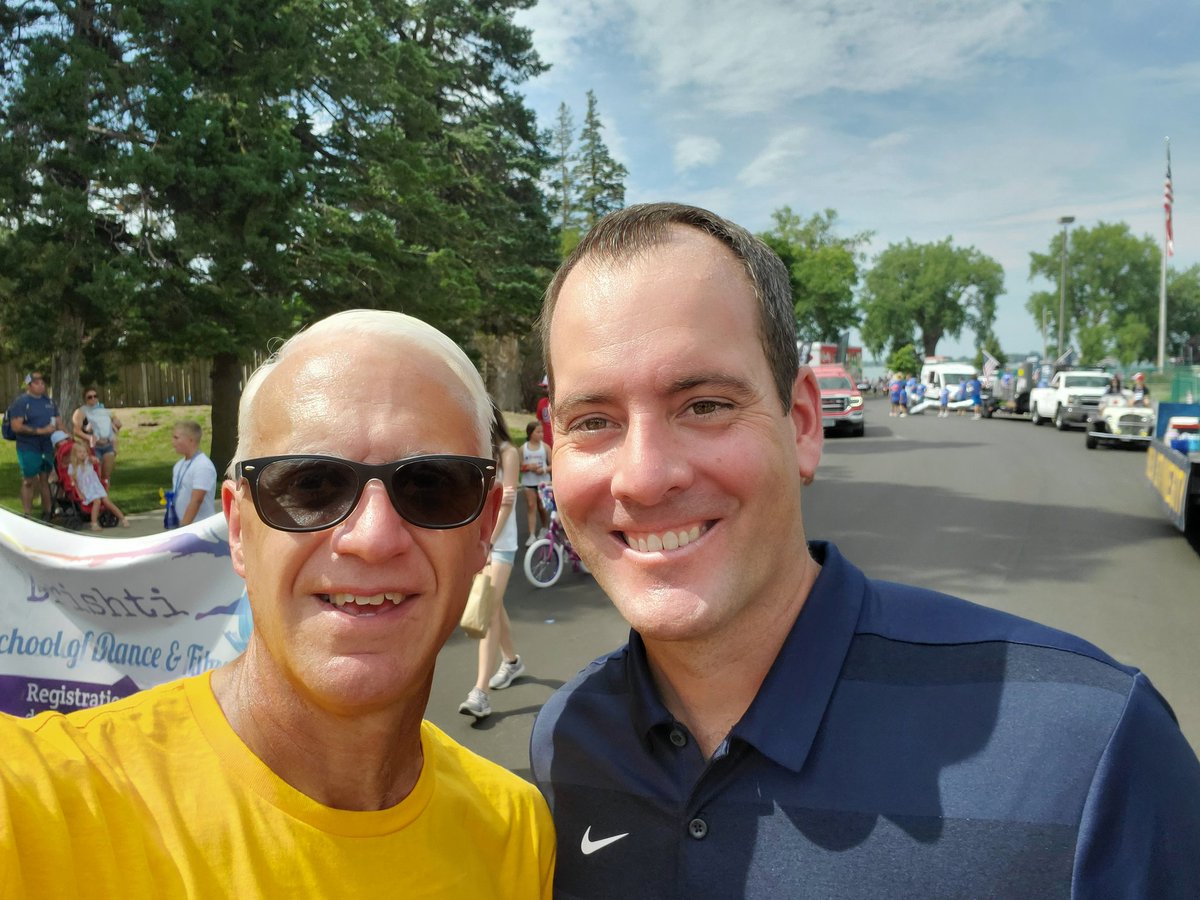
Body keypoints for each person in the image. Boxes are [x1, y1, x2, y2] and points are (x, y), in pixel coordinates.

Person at [529, 202, 1200, 898]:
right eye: (594, 420)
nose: (642, 477)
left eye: (704, 405)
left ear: (803, 424)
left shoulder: (1088, 749)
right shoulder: (567, 743)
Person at [0, 309, 555, 897]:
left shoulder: (514, 833)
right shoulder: (47, 797)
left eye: (431, 485)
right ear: (239, 529)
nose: (372, 538)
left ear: (484, 529)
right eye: (311, 485)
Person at [459, 406, 528, 721]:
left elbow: (508, 501)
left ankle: (480, 693)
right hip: (483, 543)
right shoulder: (478, 452)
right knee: (494, 606)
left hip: (501, 545)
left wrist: (489, 542)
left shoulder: (508, 453)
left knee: (486, 611)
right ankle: (512, 662)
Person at [6, 372, 61, 520]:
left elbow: (59, 422)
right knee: (28, 480)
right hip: (28, 446)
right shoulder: (21, 402)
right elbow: (16, 426)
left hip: (46, 446)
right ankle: (27, 515)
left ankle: (47, 513)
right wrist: (40, 431)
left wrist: (66, 437)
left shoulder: (49, 402)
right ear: (29, 385)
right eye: (37, 383)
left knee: (45, 479)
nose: (41, 385)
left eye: (42, 382)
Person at [66, 439, 129, 530]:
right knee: (97, 501)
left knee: (107, 501)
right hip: (86, 489)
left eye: (84, 452)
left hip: (96, 486)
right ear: (74, 454)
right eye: (80, 452)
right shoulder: (72, 467)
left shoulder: (88, 461)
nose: (82, 454)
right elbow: (74, 482)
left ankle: (122, 518)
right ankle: (94, 523)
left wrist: (94, 459)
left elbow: (94, 460)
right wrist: (79, 493)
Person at [169, 419, 218, 527]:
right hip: (182, 525)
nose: (173, 442)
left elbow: (197, 500)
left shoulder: (203, 465)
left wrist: (184, 527)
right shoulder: (179, 465)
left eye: (176, 438)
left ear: (190, 440)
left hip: (199, 527)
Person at [72, 387, 123, 482]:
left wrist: (116, 424)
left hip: (108, 446)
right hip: (93, 447)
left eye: (95, 396)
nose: (93, 399)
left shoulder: (103, 410)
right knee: (95, 476)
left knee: (106, 477)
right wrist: (89, 437)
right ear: (85, 399)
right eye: (90, 397)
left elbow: (117, 425)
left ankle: (106, 492)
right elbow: (76, 431)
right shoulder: (81, 412)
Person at [521, 420, 550, 544]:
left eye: (542, 432)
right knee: (531, 506)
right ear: (530, 433)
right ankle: (532, 535)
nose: (541, 434)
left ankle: (544, 527)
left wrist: (543, 469)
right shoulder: (523, 448)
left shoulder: (545, 447)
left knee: (542, 507)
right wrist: (528, 467)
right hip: (528, 482)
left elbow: (553, 465)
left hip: (543, 483)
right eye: (538, 432)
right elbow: (518, 467)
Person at [535, 375, 553, 447]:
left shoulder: (560, 403)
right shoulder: (541, 402)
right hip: (544, 442)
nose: (543, 390)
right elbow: (539, 422)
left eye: (545, 387)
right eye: (543, 387)